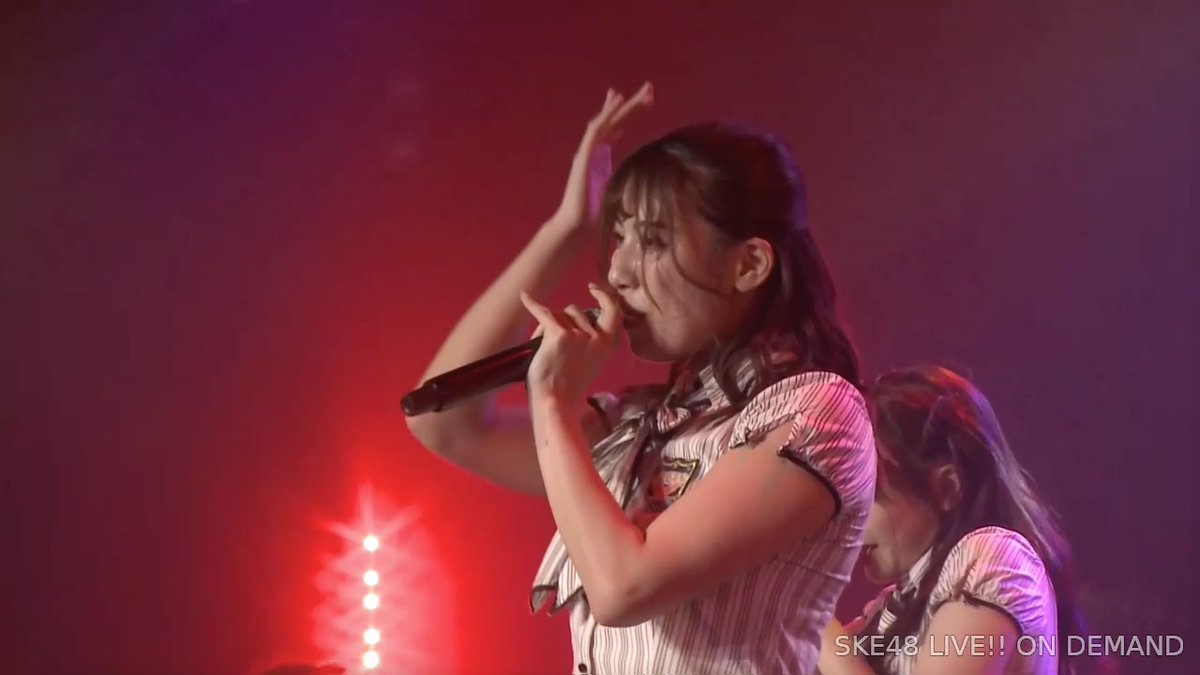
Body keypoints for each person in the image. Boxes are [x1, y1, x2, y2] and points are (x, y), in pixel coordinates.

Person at [406, 82, 876, 675]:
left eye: (654, 241)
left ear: (748, 265)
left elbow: (624, 587)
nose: (619, 271)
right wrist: (567, 229)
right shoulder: (646, 421)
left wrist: (551, 401)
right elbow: (442, 424)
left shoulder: (815, 415)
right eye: (620, 236)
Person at [817, 365, 1103, 675]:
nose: (844, 519)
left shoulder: (992, 558)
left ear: (947, 488)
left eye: (868, 495)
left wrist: (814, 618)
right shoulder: (895, 604)